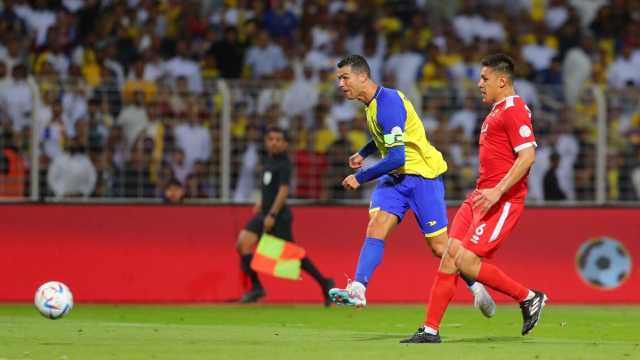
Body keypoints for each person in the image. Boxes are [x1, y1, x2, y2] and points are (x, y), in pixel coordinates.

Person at [328, 54, 496, 317]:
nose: (340, 84)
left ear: (362, 77)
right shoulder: (372, 104)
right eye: (339, 78)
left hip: (422, 177)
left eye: (344, 77)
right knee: (376, 226)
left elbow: (397, 156)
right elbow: (386, 136)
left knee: (440, 247)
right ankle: (358, 288)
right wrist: (364, 151)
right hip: (396, 178)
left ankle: (477, 287)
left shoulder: (388, 103)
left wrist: (360, 177)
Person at [401, 54, 548, 344]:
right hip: (480, 196)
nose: (479, 84)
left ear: (502, 81)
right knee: (450, 256)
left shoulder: (514, 109)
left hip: (501, 199)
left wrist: (497, 191)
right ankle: (430, 329)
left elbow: (528, 155)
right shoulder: (496, 110)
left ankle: (529, 297)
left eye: (485, 78)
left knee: (466, 261)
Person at [235, 126, 335, 305]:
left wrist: (272, 214)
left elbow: (283, 191)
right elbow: (269, 188)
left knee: (293, 255)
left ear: (285, 144)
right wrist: (261, 202)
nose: (273, 142)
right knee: (242, 244)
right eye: (271, 139)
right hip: (265, 211)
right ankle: (257, 287)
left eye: (278, 140)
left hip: (278, 215)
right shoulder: (268, 161)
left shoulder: (284, 164)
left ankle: (324, 282)